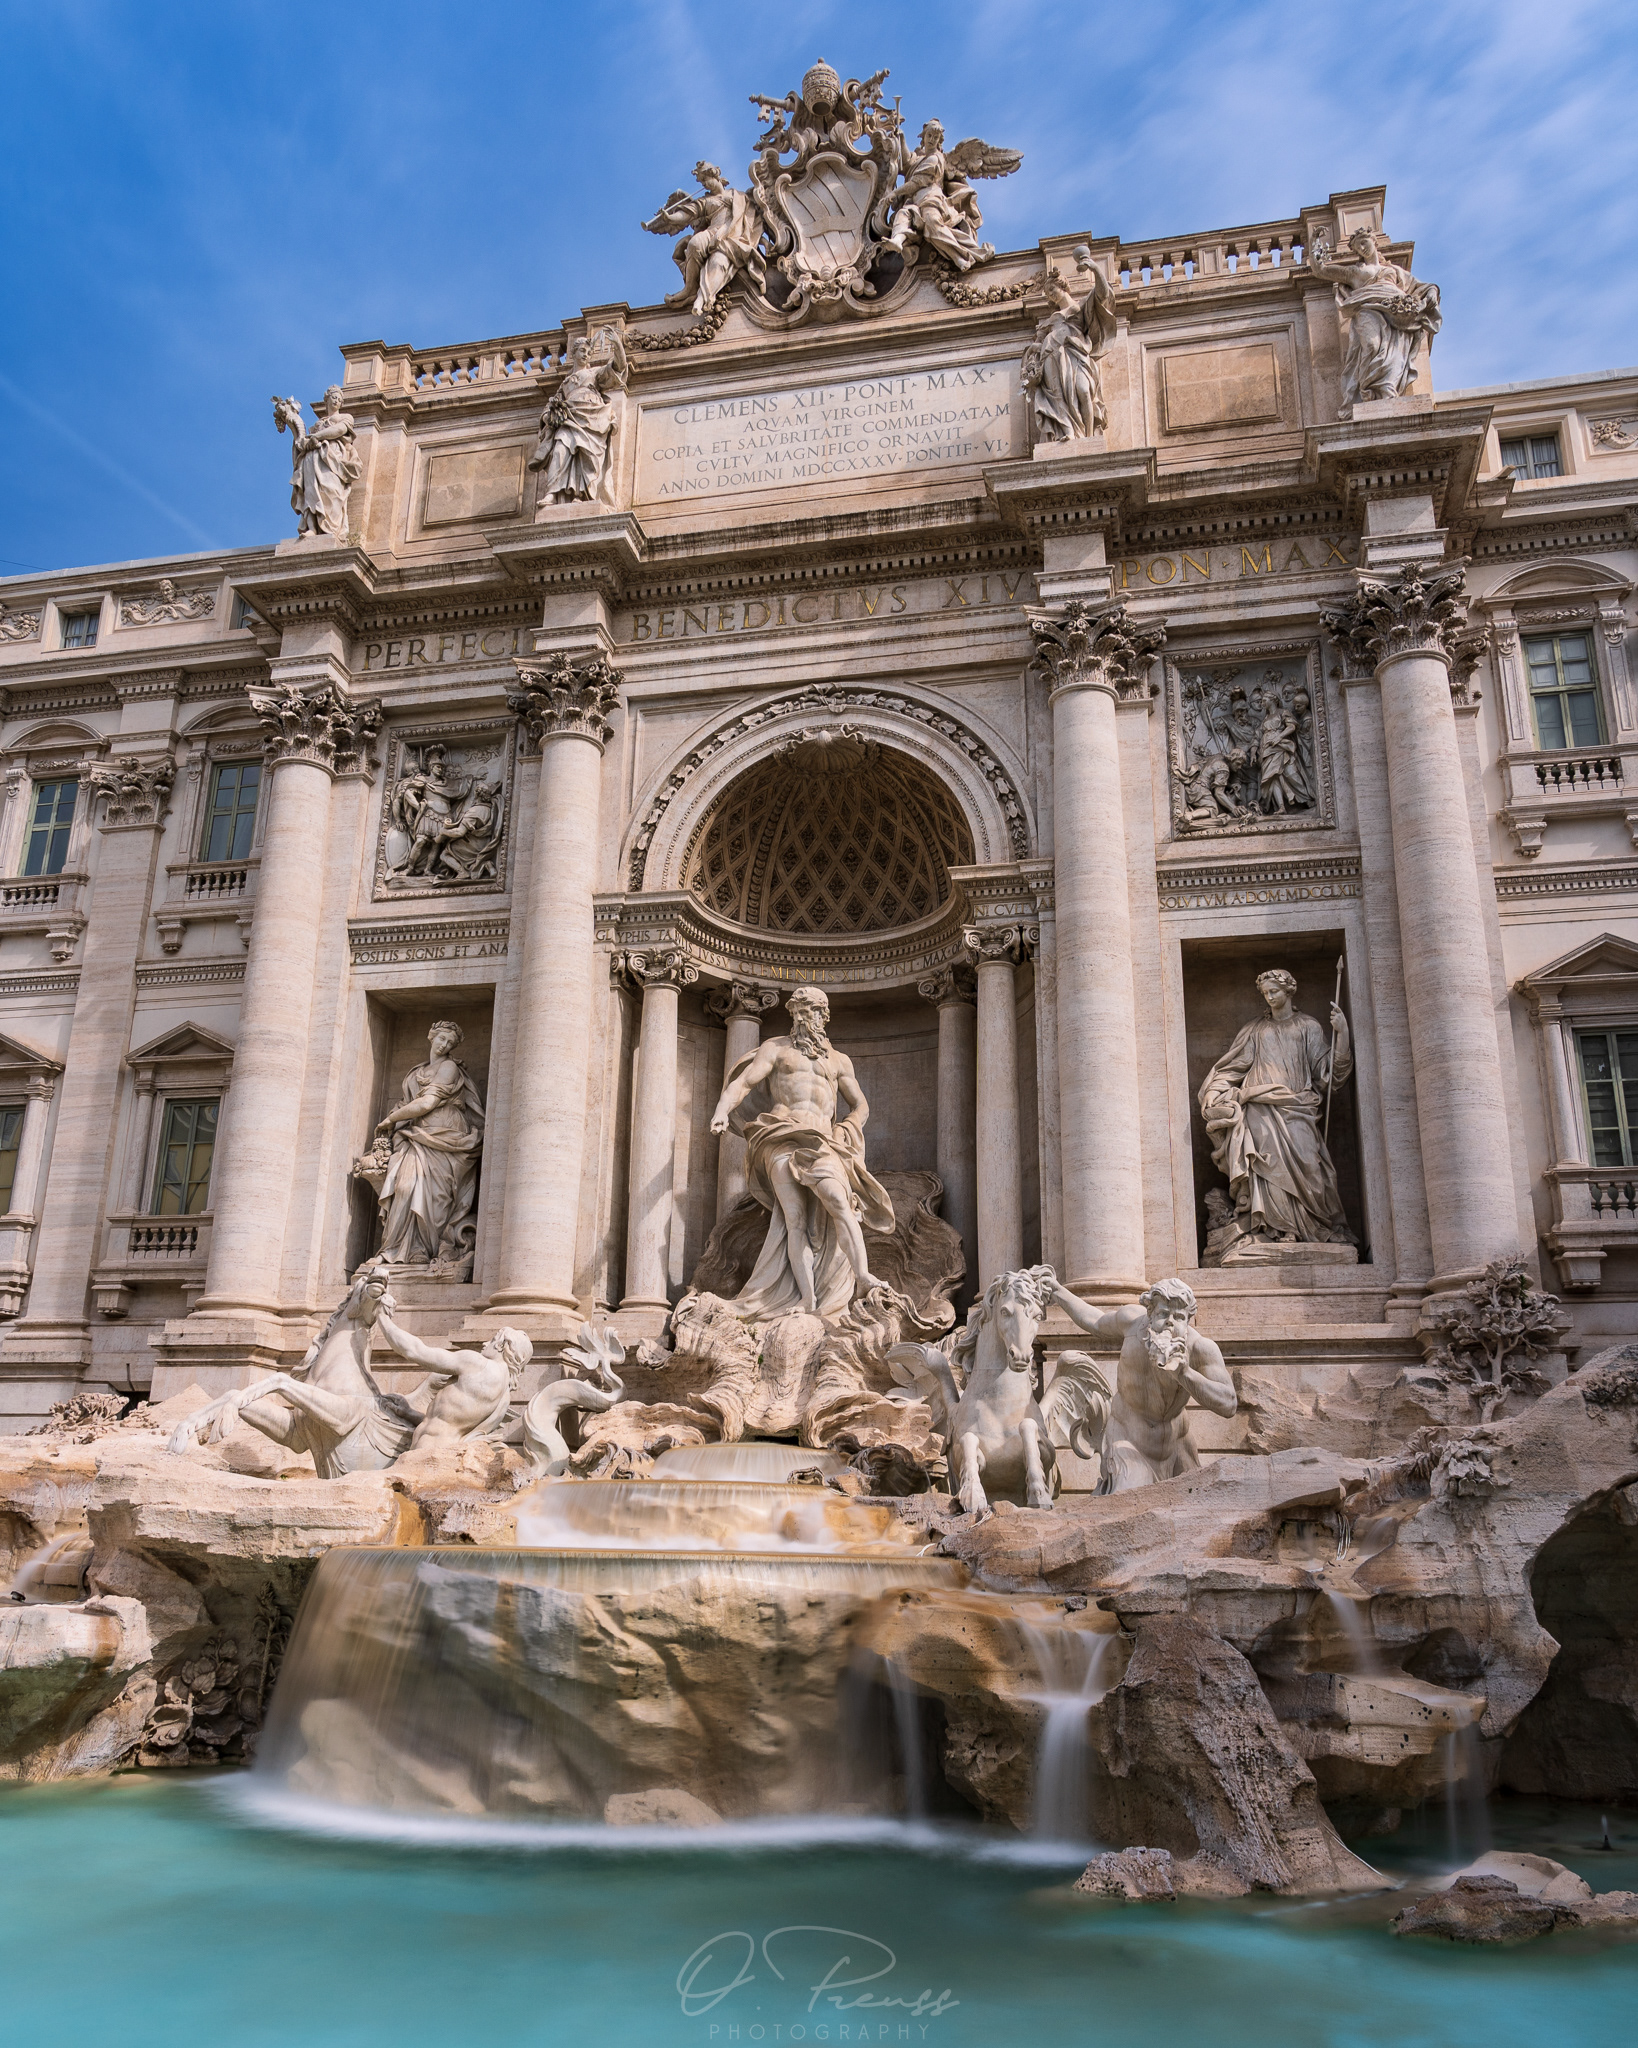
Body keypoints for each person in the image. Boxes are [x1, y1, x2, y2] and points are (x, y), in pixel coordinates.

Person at [707, 985, 894, 1320]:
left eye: (812, 1011)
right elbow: (744, 1083)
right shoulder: (776, 1049)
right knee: (793, 1219)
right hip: (780, 1135)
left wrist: (847, 1127)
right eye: (799, 1012)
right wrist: (722, 1110)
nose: (805, 1018)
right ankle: (807, 1298)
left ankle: (863, 1276)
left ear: (824, 1016)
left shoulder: (838, 1060)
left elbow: (861, 1105)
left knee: (838, 1200)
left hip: (822, 1141)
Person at [1198, 969, 1354, 1254]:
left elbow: (1328, 1073)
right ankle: (1279, 1228)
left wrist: (1342, 1033)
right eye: (1265, 993)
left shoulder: (1308, 1026)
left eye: (1274, 992)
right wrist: (1213, 1090)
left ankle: (1313, 1225)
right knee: (1267, 1166)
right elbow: (1232, 1068)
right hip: (1259, 1107)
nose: (1269, 997)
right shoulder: (1255, 1030)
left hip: (1298, 1106)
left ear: (1288, 991)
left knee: (1310, 1165)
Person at [1050, 1276, 1236, 1491]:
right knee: (1129, 1500)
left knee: (1196, 1505)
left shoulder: (1200, 1348)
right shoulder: (1130, 1322)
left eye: (1179, 1317)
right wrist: (1057, 1290)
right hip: (1127, 1439)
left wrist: (1185, 1373)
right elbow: (1096, 1320)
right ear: (1150, 1313)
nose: (1170, 1322)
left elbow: (1229, 1404)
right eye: (1163, 1314)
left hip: (1177, 1445)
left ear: (1188, 1320)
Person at [370, 1021, 484, 1270]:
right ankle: (393, 1250)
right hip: (416, 1135)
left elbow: (426, 1103)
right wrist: (395, 1120)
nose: (444, 1045)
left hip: (446, 1137)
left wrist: (391, 1120)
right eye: (442, 1038)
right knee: (404, 1187)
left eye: (450, 1043)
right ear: (431, 1036)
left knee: (437, 1197)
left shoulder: (449, 1067)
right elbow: (408, 1104)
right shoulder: (415, 1073)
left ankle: (424, 1249)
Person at [373, 1310, 531, 1447]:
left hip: (427, 1452)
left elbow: (415, 1350)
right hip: (444, 1454)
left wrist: (382, 1316)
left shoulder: (478, 1364)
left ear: (503, 1346)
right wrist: (408, 1413)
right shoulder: (504, 1400)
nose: (485, 1343)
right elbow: (450, 1426)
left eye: (492, 1340)